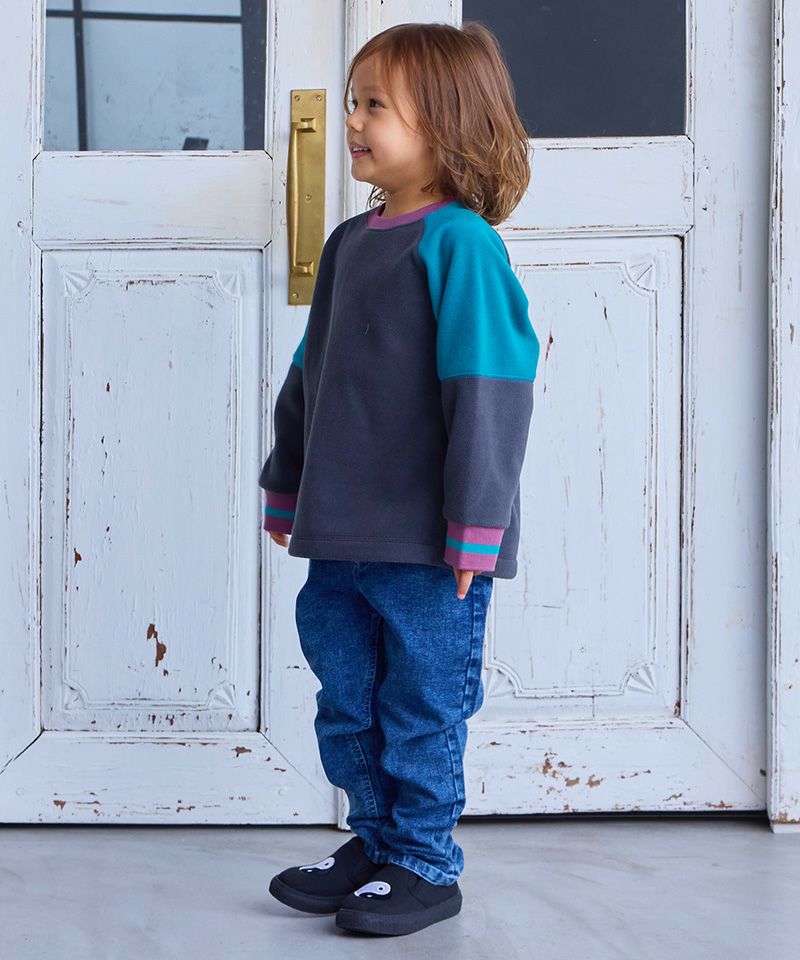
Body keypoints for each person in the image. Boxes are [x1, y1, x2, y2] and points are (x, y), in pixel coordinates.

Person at [262, 20, 539, 937]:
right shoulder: (351, 244)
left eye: (374, 104)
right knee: (347, 698)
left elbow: (490, 392)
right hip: (340, 533)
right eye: (354, 101)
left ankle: (423, 860)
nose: (352, 120)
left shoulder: (461, 245)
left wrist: (476, 527)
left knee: (421, 705)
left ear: (448, 121)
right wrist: (286, 483)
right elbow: (311, 374)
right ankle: (376, 841)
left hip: (428, 547)